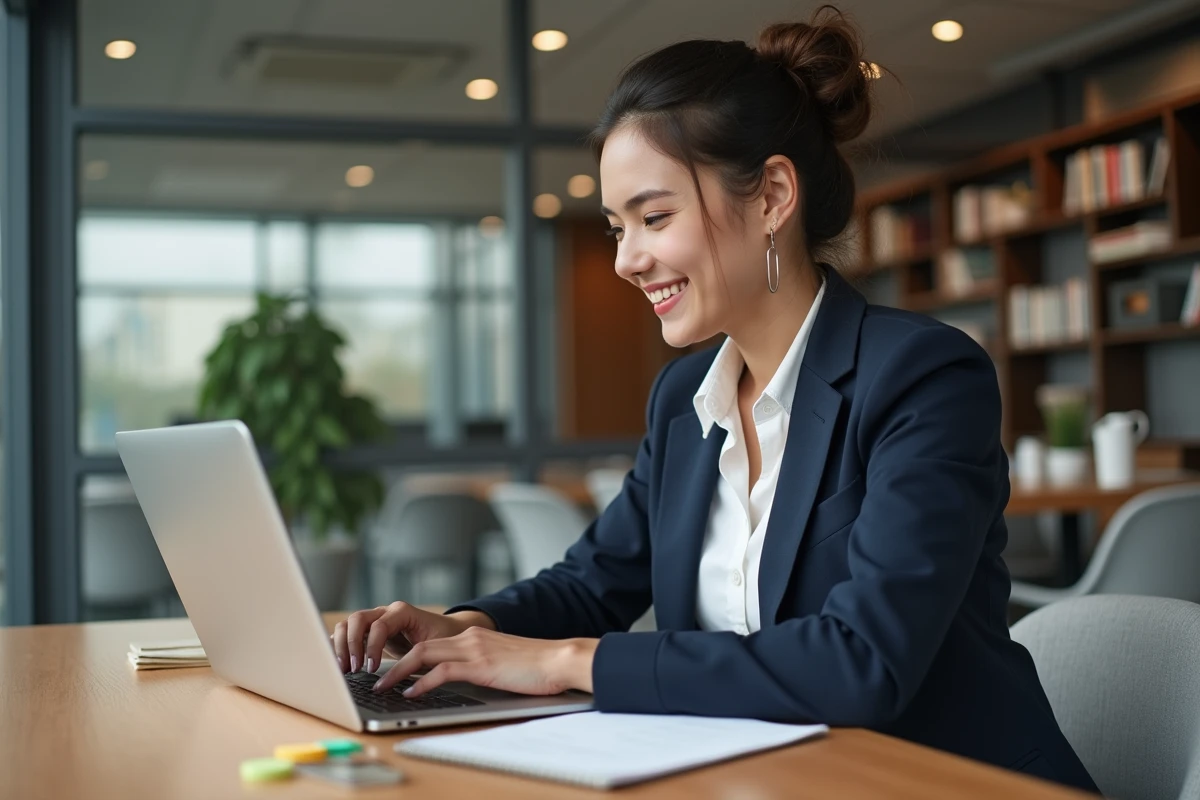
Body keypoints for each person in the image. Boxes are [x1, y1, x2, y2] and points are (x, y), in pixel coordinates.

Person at [332, 6, 1097, 792]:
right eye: (616, 228)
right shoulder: (684, 400)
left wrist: (562, 661)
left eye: (654, 217)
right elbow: (593, 583)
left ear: (770, 196)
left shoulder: (923, 376)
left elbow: (861, 661)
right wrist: (467, 627)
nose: (629, 260)